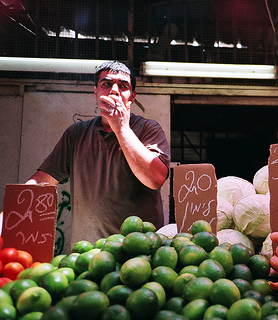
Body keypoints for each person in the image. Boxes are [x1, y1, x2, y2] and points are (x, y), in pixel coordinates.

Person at [22, 60, 170, 246]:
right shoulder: (76, 134)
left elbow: (155, 178)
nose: (114, 90)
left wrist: (121, 128)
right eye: (106, 84)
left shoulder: (148, 129)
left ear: (132, 97)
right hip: (88, 256)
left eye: (123, 86)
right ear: (96, 92)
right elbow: (41, 181)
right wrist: (14, 211)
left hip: (138, 255)